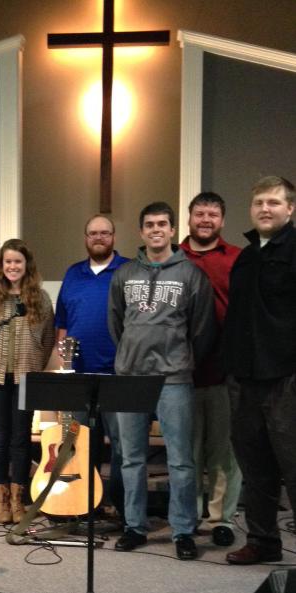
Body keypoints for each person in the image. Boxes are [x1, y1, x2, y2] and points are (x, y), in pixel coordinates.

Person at [109, 201, 215, 560]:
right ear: (141, 232)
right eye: (149, 224)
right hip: (130, 377)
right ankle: (134, 526)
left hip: (174, 378)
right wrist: (130, 354)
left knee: (181, 460)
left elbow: (201, 329)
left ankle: (183, 530)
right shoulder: (124, 274)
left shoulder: (191, 274)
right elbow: (116, 324)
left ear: (172, 230)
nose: (156, 229)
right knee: (131, 458)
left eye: (162, 224)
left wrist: (180, 358)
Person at [224, 176, 296, 565]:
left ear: (290, 209)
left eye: (273, 202)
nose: (265, 209)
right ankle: (263, 541)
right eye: (259, 203)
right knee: (255, 467)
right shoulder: (247, 256)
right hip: (245, 378)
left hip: (286, 379)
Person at [55, 215, 128, 517]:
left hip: (117, 374)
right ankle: (85, 505)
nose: (99, 238)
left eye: (105, 233)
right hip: (78, 376)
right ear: (85, 237)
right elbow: (62, 322)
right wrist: (63, 359)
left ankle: (123, 509)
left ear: (113, 236)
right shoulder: (73, 273)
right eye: (93, 233)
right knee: (78, 444)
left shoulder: (126, 270)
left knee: (124, 448)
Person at [180, 192, 242, 547]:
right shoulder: (172, 257)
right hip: (180, 375)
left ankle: (221, 519)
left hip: (222, 371)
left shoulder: (236, 258)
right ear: (189, 218)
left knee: (222, 454)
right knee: (185, 454)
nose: (206, 219)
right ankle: (187, 517)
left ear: (222, 220)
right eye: (200, 213)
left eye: (213, 214)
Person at [0, 239, 54, 524]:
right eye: (8, 261)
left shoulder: (41, 299)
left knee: (21, 439)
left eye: (18, 262)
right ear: (2, 265)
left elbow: (47, 340)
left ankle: (19, 499)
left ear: (26, 266)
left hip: (26, 378)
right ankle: (1, 499)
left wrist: (33, 365)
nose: (13, 266)